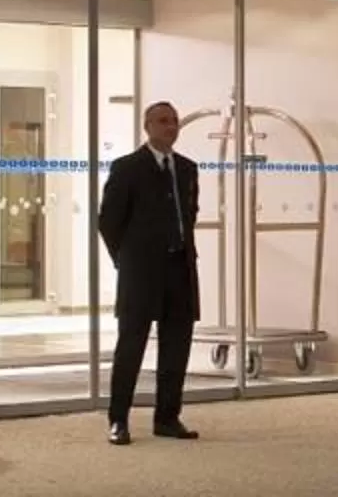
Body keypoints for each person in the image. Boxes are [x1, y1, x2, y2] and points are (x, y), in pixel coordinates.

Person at [98, 100, 202, 443]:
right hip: (140, 272)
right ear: (148, 127)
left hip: (180, 270)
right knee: (131, 345)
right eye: (163, 121)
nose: (171, 127)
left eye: (174, 121)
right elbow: (109, 222)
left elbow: (190, 215)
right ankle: (119, 420)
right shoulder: (127, 168)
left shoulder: (187, 169)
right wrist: (126, 259)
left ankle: (168, 418)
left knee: (177, 346)